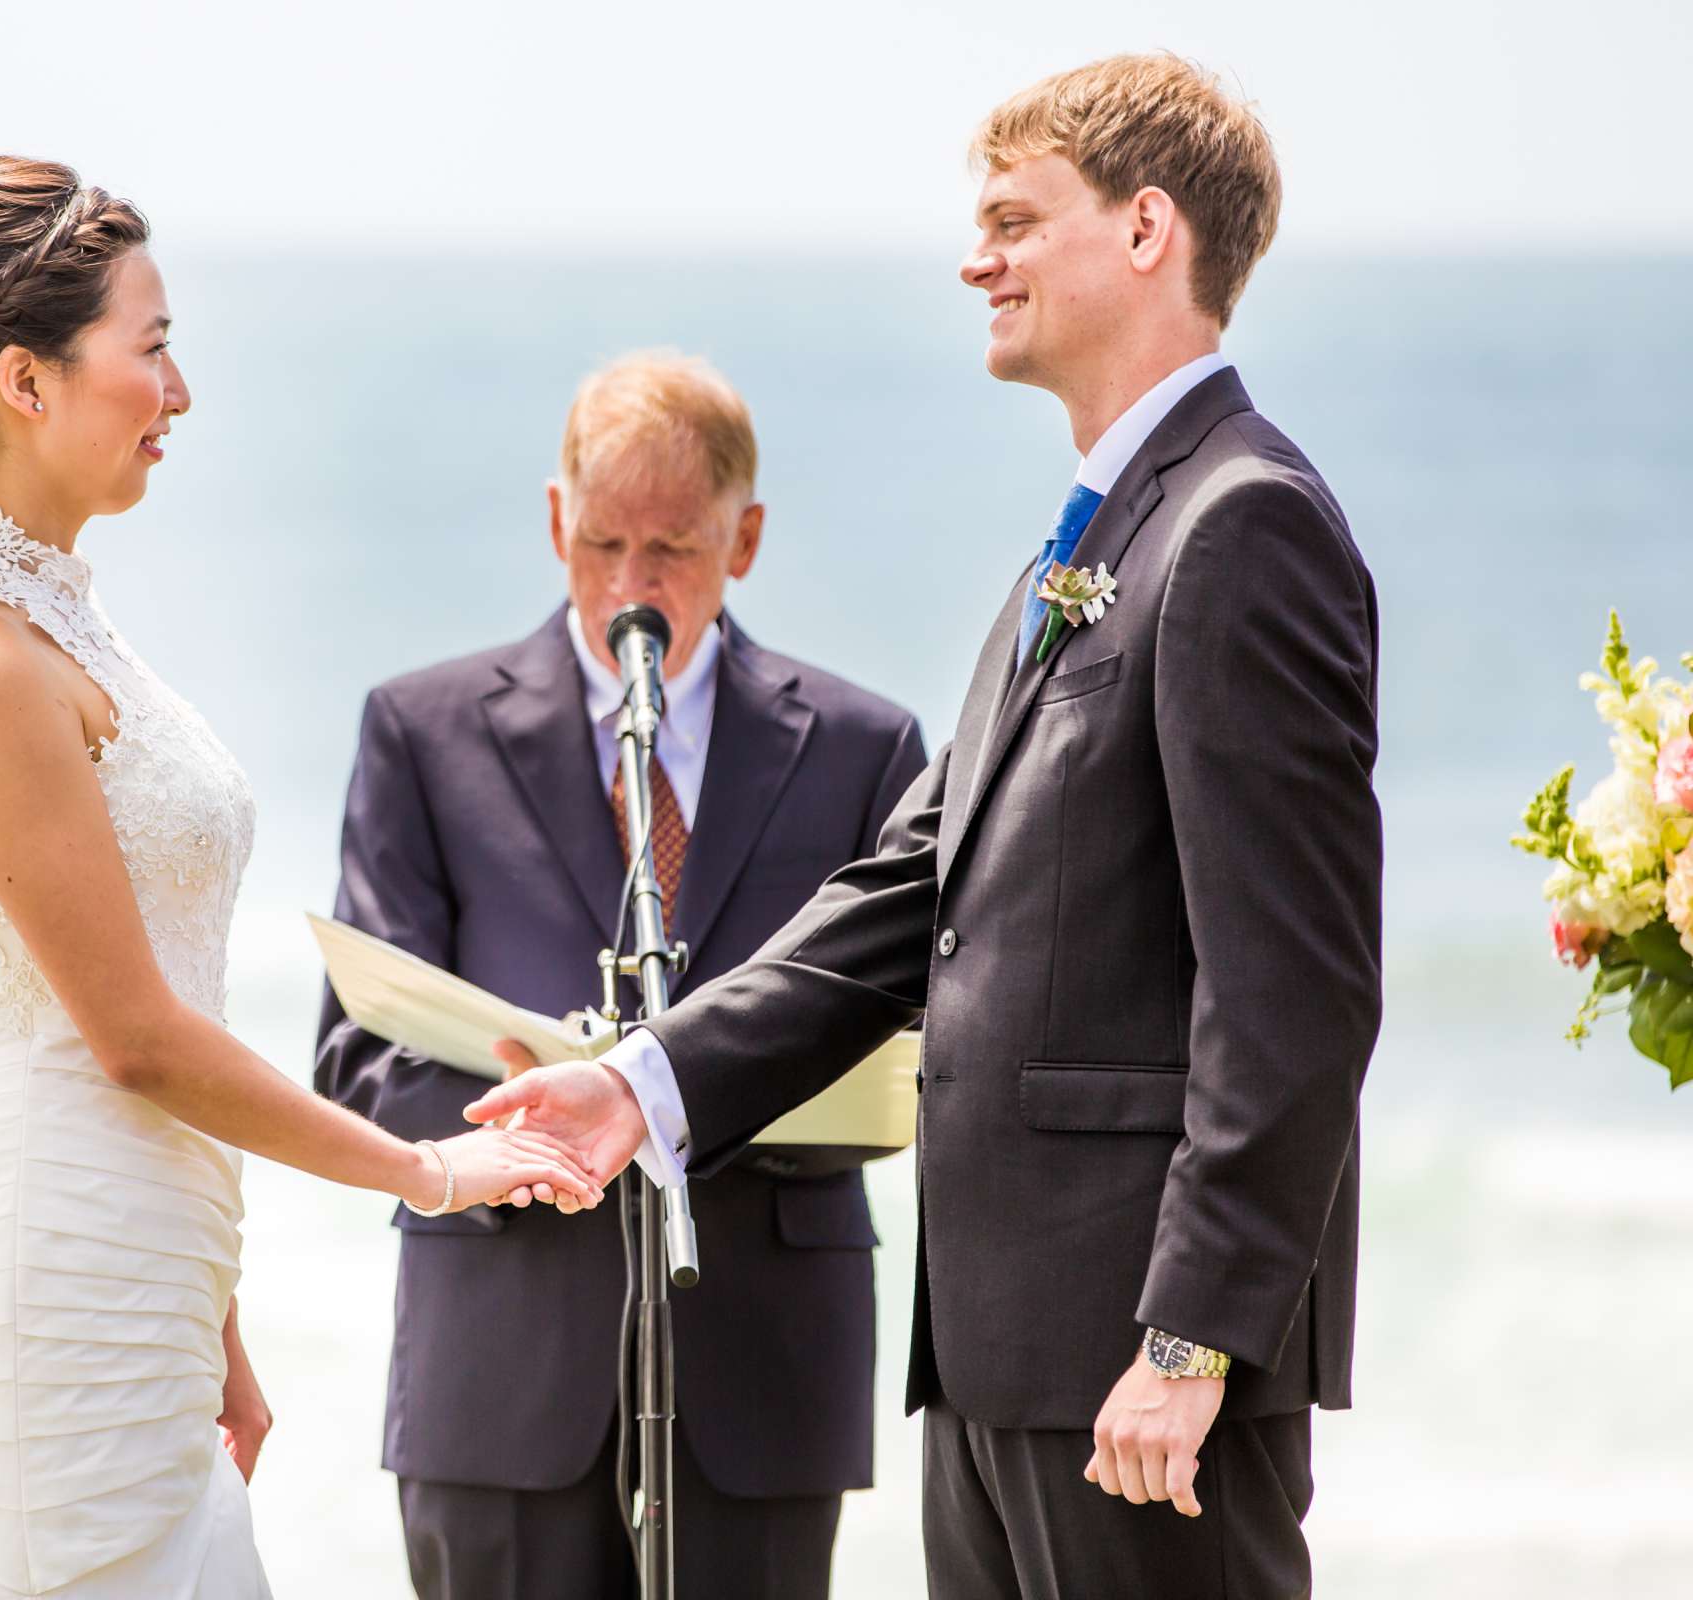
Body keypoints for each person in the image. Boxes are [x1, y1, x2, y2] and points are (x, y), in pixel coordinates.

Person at [473, 55, 1381, 1600]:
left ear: (1147, 229)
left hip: (1133, 1370)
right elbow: (915, 891)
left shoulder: (1242, 524)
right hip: (993, 1354)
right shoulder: (1089, 539)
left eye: (1017, 221)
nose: (979, 259)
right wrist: (648, 1084)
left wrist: (1193, 1334)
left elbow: (1294, 990)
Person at [0, 155, 601, 1600]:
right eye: (154, 349)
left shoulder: (60, 621)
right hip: (51, 1288)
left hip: (145, 1280)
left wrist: (219, 1327)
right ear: (23, 381)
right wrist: (431, 1170)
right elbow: (128, 1035)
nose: (180, 394)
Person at [316, 351, 929, 1599]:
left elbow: (905, 1063)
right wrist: (527, 1128)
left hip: (759, 1370)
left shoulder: (868, 749)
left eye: (673, 552)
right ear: (555, 519)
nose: (628, 589)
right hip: (500, 1365)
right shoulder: (422, 731)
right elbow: (355, 1058)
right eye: (600, 544)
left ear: (744, 539)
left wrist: (671, 1091)